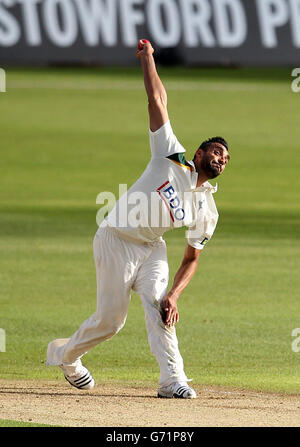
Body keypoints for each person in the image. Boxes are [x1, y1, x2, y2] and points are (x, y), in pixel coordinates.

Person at [46, 40, 230, 399]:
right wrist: (148, 59)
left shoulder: (208, 209)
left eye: (226, 158)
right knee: (111, 322)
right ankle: (66, 357)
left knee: (159, 305)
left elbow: (192, 258)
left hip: (151, 248)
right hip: (116, 238)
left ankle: (172, 381)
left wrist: (175, 295)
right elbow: (157, 100)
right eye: (217, 151)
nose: (221, 159)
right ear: (200, 153)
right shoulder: (171, 156)